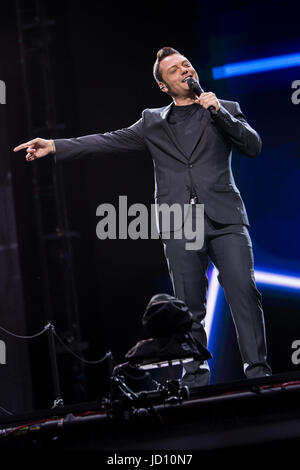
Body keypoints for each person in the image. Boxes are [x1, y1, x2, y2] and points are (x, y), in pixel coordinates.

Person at [14, 46, 272, 387]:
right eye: (174, 70)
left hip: (226, 218)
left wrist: (218, 112)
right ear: (164, 86)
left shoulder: (224, 109)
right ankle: (196, 381)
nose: (184, 70)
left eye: (186, 64)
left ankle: (259, 376)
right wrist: (55, 145)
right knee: (188, 307)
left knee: (244, 292)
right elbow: (107, 141)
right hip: (180, 221)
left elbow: (252, 146)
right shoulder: (153, 122)